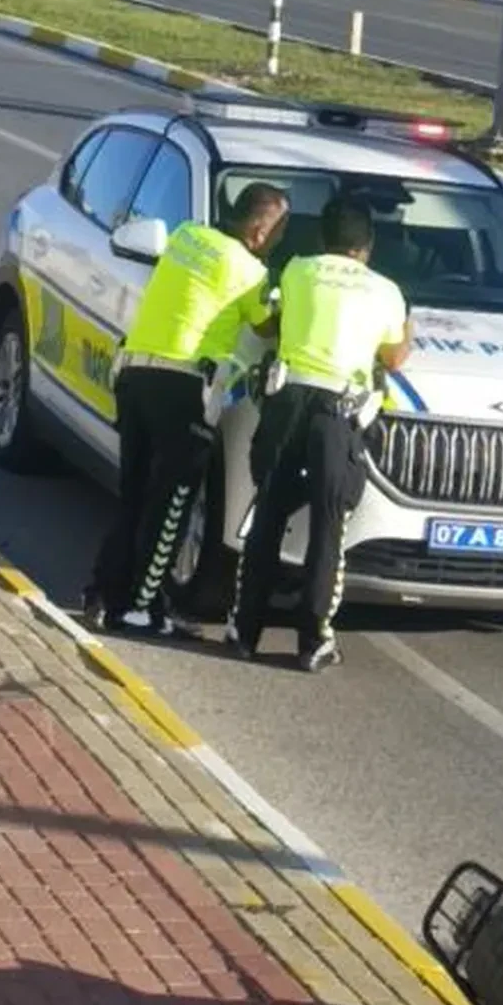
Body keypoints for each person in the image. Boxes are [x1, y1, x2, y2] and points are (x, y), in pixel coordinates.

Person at [84, 183, 290, 635]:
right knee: (172, 501)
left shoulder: (186, 236)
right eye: (278, 233)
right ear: (258, 230)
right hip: (183, 385)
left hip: (135, 372)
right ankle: (141, 608)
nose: (276, 243)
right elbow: (269, 327)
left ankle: (102, 594)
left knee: (134, 493)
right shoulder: (250, 273)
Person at [228, 197, 412, 673]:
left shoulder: (297, 269)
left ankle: (244, 630)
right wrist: (406, 326)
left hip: (288, 402)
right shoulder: (387, 290)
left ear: (321, 241)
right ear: (366, 248)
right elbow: (393, 358)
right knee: (329, 526)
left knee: (268, 512)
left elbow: (281, 323)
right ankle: (312, 641)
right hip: (337, 411)